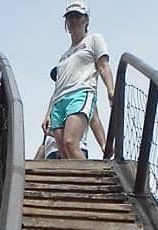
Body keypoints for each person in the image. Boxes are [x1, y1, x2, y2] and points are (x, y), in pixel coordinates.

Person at [41, 3, 115, 161]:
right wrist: (48, 114)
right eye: (70, 17)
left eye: (77, 16)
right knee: (62, 151)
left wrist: (111, 89)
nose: (73, 20)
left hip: (81, 92)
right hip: (59, 100)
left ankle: (93, 182)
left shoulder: (93, 40)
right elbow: (57, 88)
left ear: (86, 20)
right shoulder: (63, 57)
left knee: (70, 142)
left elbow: (103, 66)